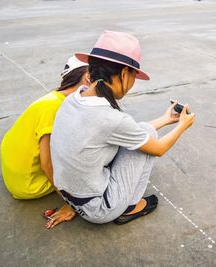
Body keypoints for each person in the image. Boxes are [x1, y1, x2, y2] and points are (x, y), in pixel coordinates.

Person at [46, 31, 195, 228]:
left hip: (70, 198)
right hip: (98, 209)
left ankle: (121, 202)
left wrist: (167, 119)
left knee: (142, 130)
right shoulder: (110, 118)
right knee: (148, 135)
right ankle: (130, 206)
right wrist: (183, 126)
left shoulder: (74, 98)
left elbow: (128, 131)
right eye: (134, 76)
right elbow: (158, 148)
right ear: (125, 73)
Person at [0, 55, 90, 222]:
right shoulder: (55, 108)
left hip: (13, 173)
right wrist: (71, 204)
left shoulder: (52, 99)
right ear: (88, 77)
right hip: (28, 185)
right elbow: (46, 164)